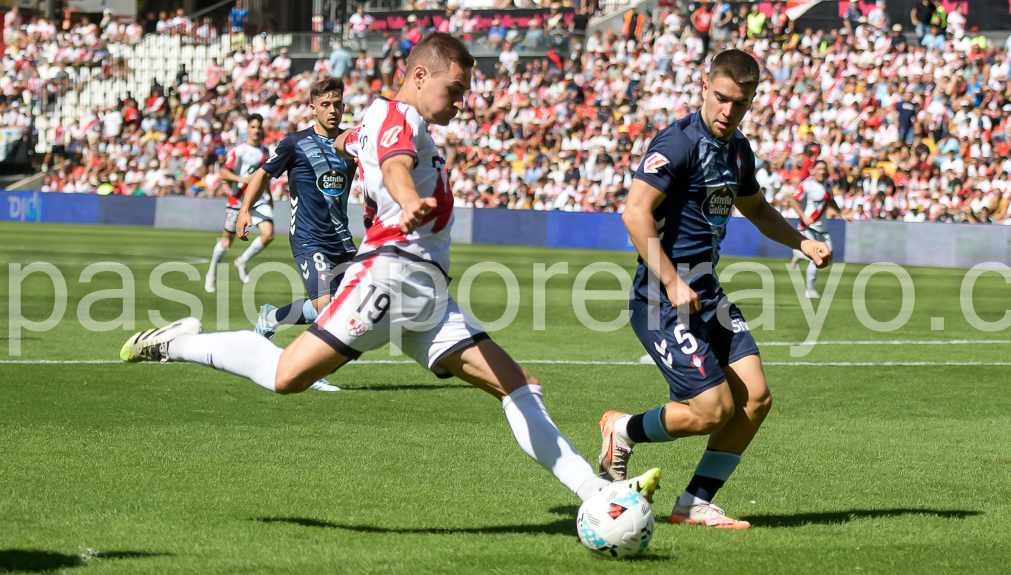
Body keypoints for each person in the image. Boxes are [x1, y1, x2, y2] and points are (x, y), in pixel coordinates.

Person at [119, 32, 661, 507]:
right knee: (286, 377)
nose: (461, 103)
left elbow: (358, 144)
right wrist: (403, 199)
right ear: (419, 76)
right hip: (387, 277)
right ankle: (174, 342)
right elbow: (397, 164)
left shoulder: (379, 121)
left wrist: (365, 162)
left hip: (425, 293)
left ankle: (599, 494)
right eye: (454, 90)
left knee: (520, 386)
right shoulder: (396, 116)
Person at [597, 49, 830, 529]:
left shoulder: (737, 149)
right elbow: (635, 213)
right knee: (713, 409)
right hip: (661, 300)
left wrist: (803, 241)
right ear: (704, 86)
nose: (728, 111)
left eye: (739, 104)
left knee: (757, 398)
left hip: (706, 293)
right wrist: (672, 281)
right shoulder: (678, 143)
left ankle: (694, 503)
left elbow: (759, 210)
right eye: (721, 99)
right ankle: (623, 430)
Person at [235, 78, 363, 393]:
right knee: (328, 309)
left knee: (352, 308)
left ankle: (270, 318)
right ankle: (308, 370)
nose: (332, 111)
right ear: (313, 108)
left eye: (337, 105)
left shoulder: (351, 145)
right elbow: (263, 173)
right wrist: (244, 209)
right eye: (325, 105)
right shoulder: (295, 142)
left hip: (341, 240)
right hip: (308, 238)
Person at [205, 113, 273, 293]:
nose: (257, 130)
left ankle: (242, 260)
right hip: (238, 200)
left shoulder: (265, 151)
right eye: (253, 127)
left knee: (269, 234)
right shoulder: (239, 150)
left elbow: (264, 177)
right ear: (248, 129)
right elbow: (224, 173)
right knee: (226, 242)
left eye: (259, 127)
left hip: (258, 201)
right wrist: (243, 179)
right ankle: (211, 273)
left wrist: (269, 196)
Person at [786, 160, 847, 299]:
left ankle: (799, 254)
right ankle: (810, 290)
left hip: (822, 228)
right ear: (812, 170)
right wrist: (803, 216)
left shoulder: (828, 184)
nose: (822, 172)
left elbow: (830, 200)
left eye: (824, 169)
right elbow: (793, 200)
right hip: (808, 226)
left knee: (829, 258)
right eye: (819, 169)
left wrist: (840, 213)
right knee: (817, 258)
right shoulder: (806, 185)